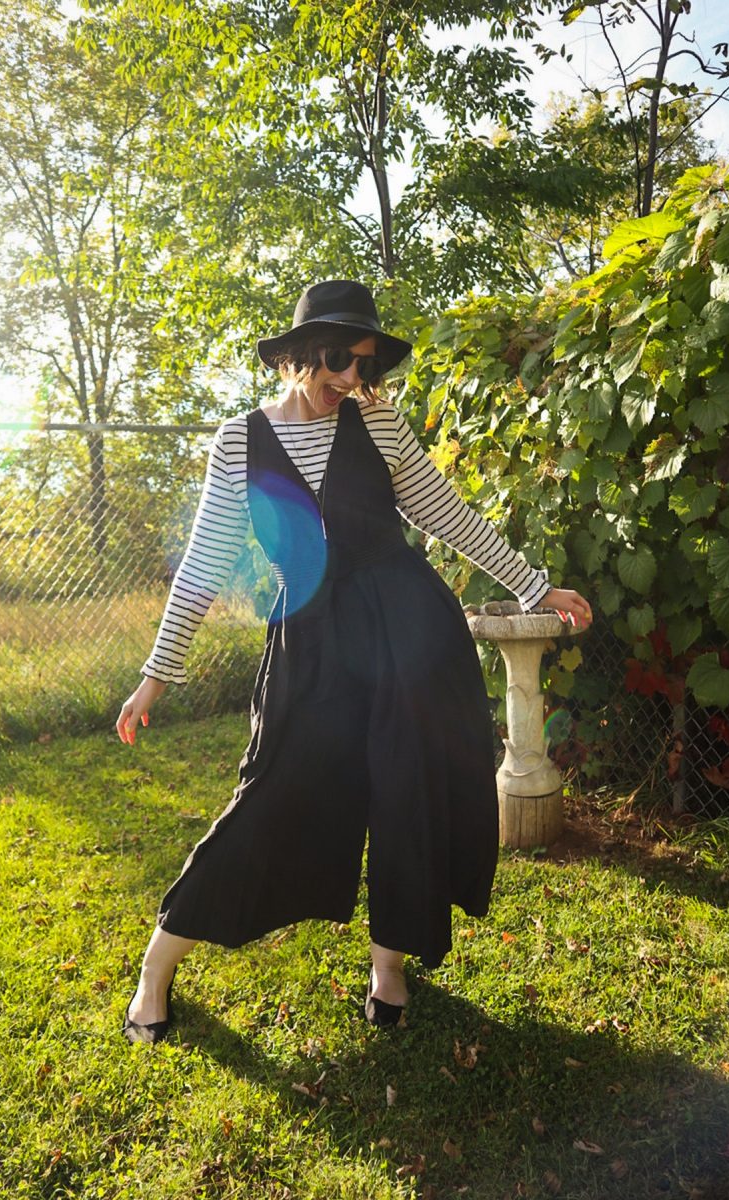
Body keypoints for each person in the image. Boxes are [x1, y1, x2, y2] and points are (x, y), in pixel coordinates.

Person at [116, 279, 592, 1043]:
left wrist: (537, 584)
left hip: (409, 637)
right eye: (339, 359)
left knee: (408, 797)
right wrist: (156, 674)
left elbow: (442, 510)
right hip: (311, 642)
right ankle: (156, 969)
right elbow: (204, 558)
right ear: (301, 354)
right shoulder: (241, 438)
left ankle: (388, 970)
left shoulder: (379, 423)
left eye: (365, 365)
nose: (350, 379)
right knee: (270, 794)